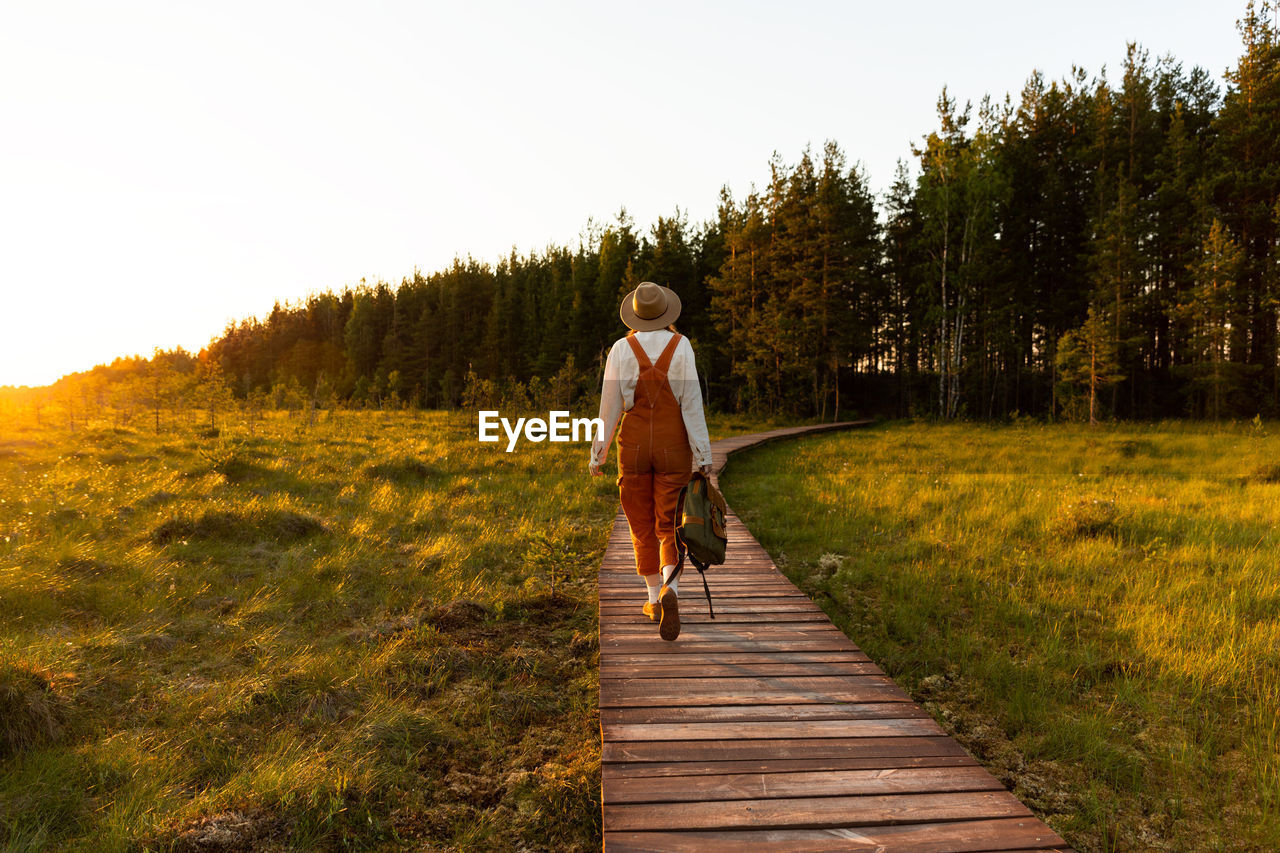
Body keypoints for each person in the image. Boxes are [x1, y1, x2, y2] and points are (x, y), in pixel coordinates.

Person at [590, 281, 712, 641]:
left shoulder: (620, 349)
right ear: (666, 314)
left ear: (635, 316)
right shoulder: (682, 345)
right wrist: (703, 456)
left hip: (636, 442)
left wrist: (598, 452)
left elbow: (609, 405)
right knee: (671, 522)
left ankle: (651, 598)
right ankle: (670, 590)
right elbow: (692, 403)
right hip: (674, 442)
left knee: (640, 523)